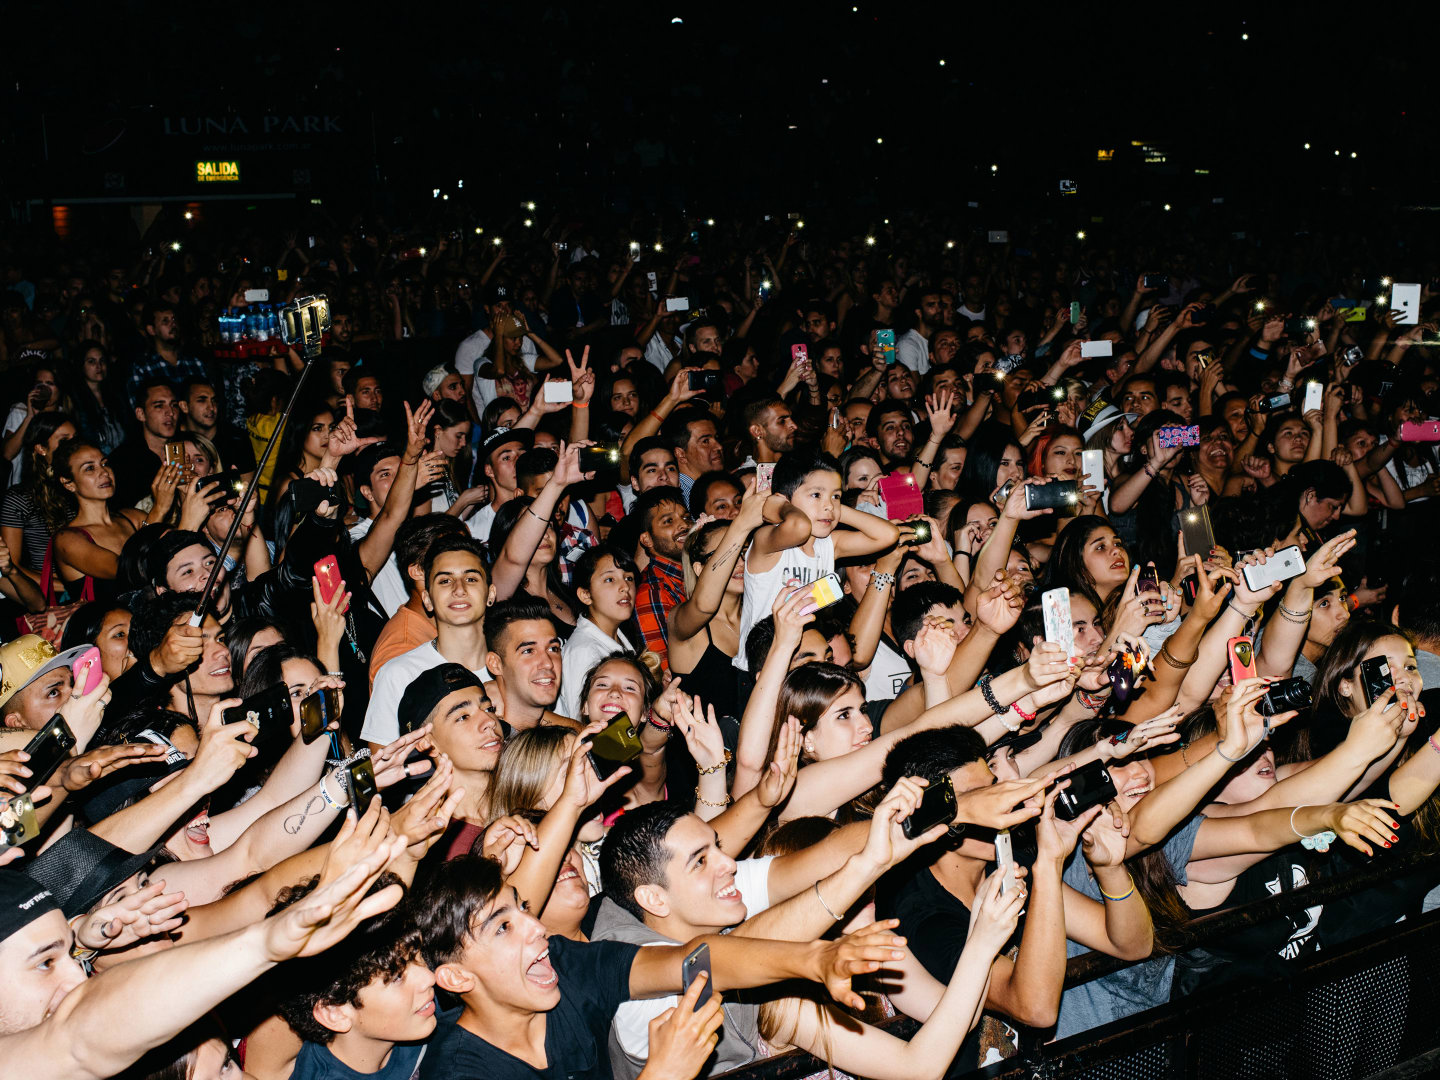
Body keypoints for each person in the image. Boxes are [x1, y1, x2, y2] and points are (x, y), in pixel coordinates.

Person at [736, 448, 899, 670]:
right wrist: (779, 505)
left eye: (836, 495)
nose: (828, 505)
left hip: (804, 667)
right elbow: (799, 527)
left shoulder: (829, 544)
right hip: (760, 668)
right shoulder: (767, 540)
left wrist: (837, 509)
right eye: (816, 495)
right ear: (784, 500)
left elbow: (888, 535)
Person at [362, 536, 494, 750]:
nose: (459, 589)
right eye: (444, 581)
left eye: (471, 579)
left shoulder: (513, 665)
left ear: (491, 593)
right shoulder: (399, 674)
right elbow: (383, 772)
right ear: (427, 599)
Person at [558, 546, 639, 719]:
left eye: (629, 578)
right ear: (586, 595)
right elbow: (578, 721)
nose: (625, 586)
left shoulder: (621, 637)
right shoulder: (584, 651)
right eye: (610, 579)